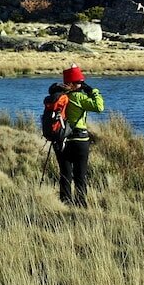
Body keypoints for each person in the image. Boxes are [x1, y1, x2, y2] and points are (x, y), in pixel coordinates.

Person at [53, 63, 105, 207]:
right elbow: (99, 107)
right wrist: (93, 91)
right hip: (80, 141)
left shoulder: (59, 97)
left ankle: (65, 204)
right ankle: (81, 205)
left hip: (61, 140)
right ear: (74, 84)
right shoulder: (78, 98)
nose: (82, 84)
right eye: (80, 82)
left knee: (65, 175)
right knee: (80, 176)